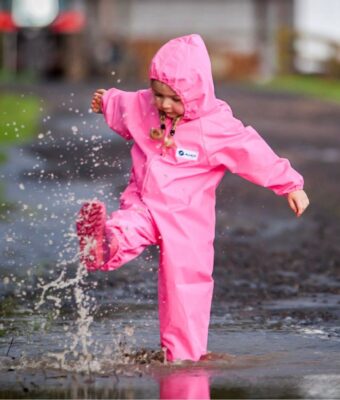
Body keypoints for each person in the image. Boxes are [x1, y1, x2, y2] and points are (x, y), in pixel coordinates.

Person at [76, 34, 310, 362]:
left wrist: (290, 184)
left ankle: (183, 357)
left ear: (196, 93)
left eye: (174, 99)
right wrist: (107, 101)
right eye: (159, 95)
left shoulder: (215, 125)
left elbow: (251, 151)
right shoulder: (146, 105)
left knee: (186, 284)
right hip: (144, 202)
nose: (164, 105)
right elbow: (126, 103)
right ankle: (103, 243)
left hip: (188, 220)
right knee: (127, 225)